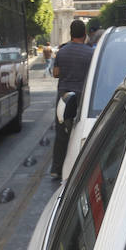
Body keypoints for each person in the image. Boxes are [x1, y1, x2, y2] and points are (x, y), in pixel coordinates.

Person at [50, 20, 94, 180]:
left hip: (64, 96)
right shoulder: (91, 53)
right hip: (83, 96)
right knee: (82, 129)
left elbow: (55, 73)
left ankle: (56, 168)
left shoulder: (62, 52)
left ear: (71, 33)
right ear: (85, 34)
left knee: (61, 131)